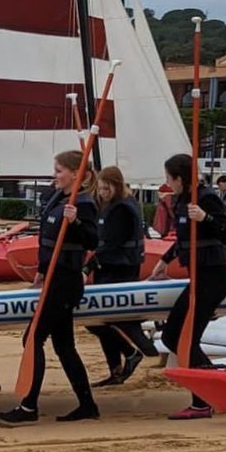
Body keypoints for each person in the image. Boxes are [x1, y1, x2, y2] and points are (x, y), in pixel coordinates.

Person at [0, 150, 99, 426]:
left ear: (76, 175)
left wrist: (75, 220)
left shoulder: (83, 204)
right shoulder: (58, 199)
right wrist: (41, 271)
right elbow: (49, 239)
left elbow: (92, 240)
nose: (54, 176)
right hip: (53, 279)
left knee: (33, 337)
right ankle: (87, 405)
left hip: (65, 282)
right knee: (64, 346)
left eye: (58, 171)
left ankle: (29, 406)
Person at [151, 152, 226, 420]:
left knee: (183, 339)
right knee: (171, 336)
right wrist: (165, 260)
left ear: (180, 178)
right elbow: (184, 240)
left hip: (212, 279)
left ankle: (203, 401)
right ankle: (214, 388)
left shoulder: (205, 198)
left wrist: (205, 218)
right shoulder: (182, 201)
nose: (167, 183)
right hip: (198, 278)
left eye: (169, 178)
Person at [87, 166, 157, 387]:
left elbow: (111, 243)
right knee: (102, 319)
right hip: (113, 267)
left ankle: (134, 351)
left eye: (106, 188)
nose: (102, 192)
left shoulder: (122, 209)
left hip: (118, 269)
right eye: (100, 188)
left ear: (116, 186)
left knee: (99, 319)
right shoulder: (114, 205)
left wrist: (88, 265)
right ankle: (117, 367)